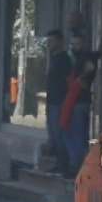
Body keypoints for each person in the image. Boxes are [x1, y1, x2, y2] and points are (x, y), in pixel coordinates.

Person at [58, 30, 100, 176]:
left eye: (77, 44)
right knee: (75, 134)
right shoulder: (81, 57)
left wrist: (80, 79)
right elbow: (99, 53)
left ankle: (77, 164)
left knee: (72, 133)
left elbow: (89, 70)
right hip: (78, 100)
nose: (74, 47)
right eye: (72, 44)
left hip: (78, 101)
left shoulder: (84, 58)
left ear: (83, 44)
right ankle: (78, 163)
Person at [41, 29, 69, 173]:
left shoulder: (64, 59)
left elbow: (68, 81)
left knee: (58, 133)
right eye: (47, 42)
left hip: (59, 101)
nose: (49, 44)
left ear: (60, 42)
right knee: (52, 131)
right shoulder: (52, 58)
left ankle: (63, 163)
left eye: (51, 41)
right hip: (51, 100)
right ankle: (57, 161)